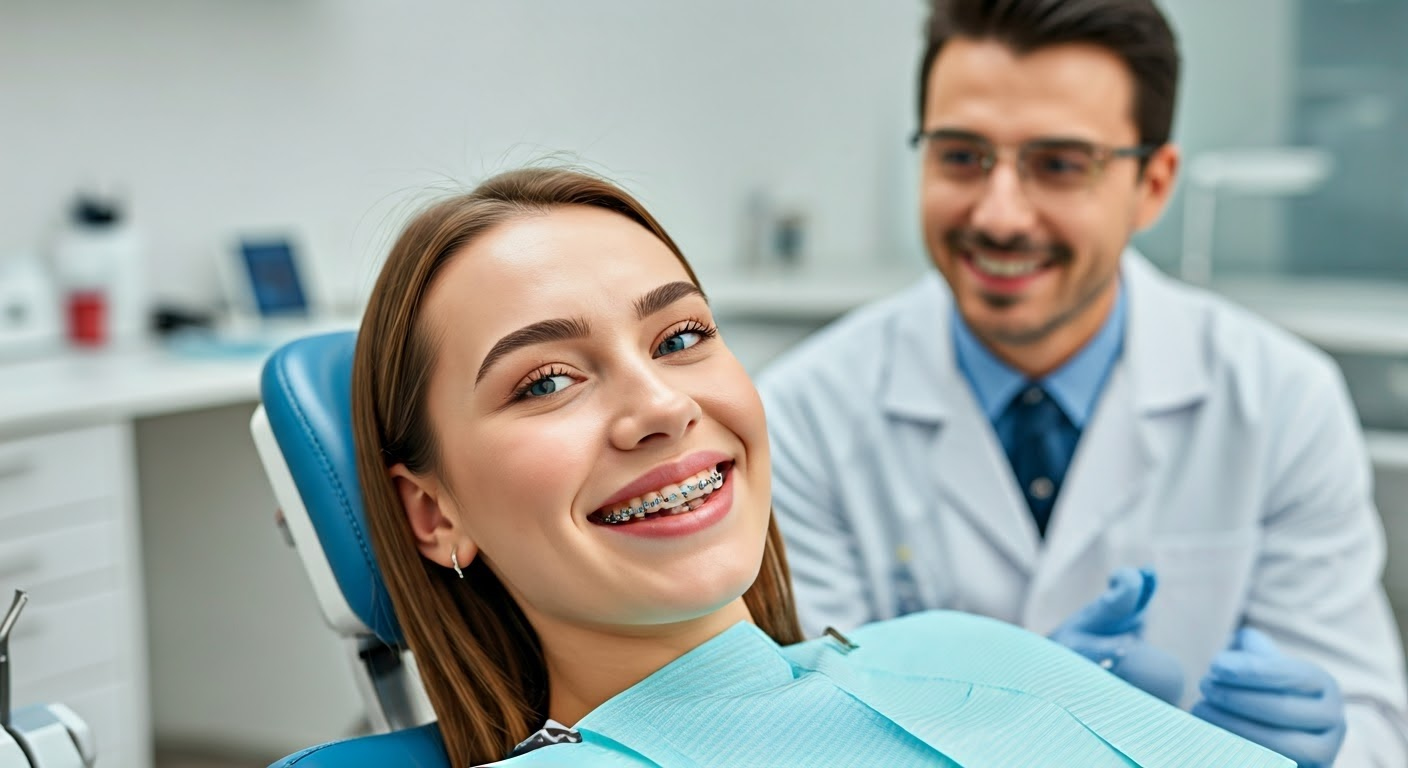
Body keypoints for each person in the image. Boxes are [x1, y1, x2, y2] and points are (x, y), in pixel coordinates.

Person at [348, 166, 1292, 767]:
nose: (664, 407)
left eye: (680, 336)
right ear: (432, 514)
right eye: (547, 381)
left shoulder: (956, 649)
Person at [756, 1, 1408, 766]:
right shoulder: (804, 413)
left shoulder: (1281, 400)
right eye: (961, 156)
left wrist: (1318, 749)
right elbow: (813, 739)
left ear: (1154, 184)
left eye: (1060, 164)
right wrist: (1022, 715)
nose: (1000, 215)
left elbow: (1370, 724)